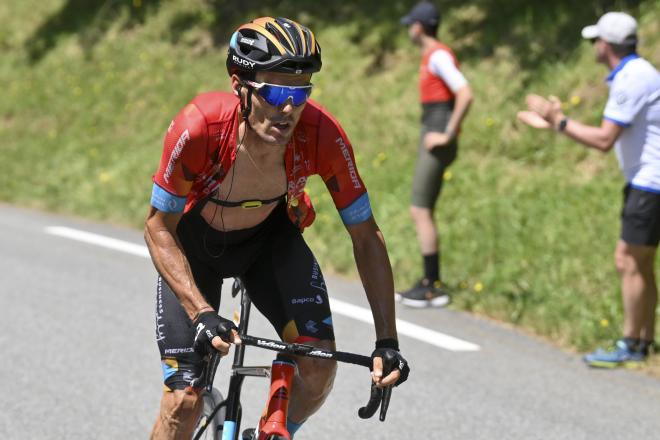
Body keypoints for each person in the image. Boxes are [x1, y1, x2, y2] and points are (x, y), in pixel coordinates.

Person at [144, 17, 409, 439]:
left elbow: (365, 236)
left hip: (268, 243)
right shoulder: (200, 127)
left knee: (320, 365)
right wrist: (201, 312)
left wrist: (387, 342)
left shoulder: (322, 133)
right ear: (239, 84)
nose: (289, 108)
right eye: (276, 91)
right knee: (184, 399)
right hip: (195, 248)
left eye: (301, 92)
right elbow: (158, 228)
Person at [518, 11, 660, 368]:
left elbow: (602, 139)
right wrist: (555, 126)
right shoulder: (637, 74)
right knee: (641, 264)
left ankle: (631, 343)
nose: (594, 46)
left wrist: (558, 121)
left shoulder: (631, 79)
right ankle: (643, 341)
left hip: (649, 183)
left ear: (606, 45)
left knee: (627, 260)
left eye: (595, 40)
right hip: (646, 182)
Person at [396, 1, 474, 308]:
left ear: (419, 27)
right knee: (421, 208)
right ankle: (431, 282)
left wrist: (447, 134)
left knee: (420, 209)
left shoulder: (438, 55)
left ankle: (432, 285)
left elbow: (465, 93)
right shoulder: (433, 55)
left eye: (411, 25)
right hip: (432, 134)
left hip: (438, 138)